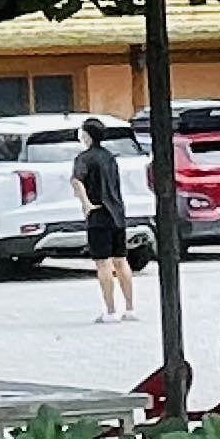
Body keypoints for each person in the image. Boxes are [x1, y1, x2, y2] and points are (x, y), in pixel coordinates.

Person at [71, 123, 138, 323]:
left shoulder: (84, 158)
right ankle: (130, 308)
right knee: (121, 260)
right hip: (117, 213)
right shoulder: (110, 157)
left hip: (99, 213)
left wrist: (86, 204)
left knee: (103, 263)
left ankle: (110, 311)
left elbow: (76, 180)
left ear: (87, 135)